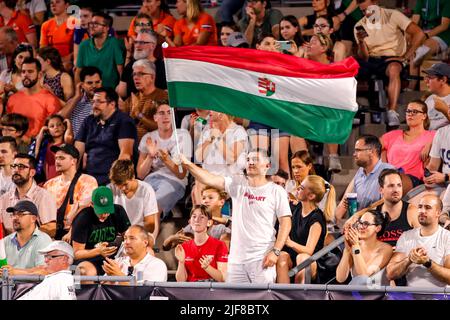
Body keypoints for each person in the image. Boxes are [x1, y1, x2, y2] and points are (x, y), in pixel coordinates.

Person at [179, 148, 292, 284]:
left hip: (261, 258)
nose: (250, 162)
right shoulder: (237, 185)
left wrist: (276, 251)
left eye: (255, 160)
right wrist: (187, 164)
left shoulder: (276, 191)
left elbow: (286, 223)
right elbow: (209, 178)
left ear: (267, 166)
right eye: (248, 159)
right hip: (236, 260)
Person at [354, 0, 424, 126]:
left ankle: (392, 111)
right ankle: (353, 110)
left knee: (393, 68)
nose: (367, 13)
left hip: (392, 58)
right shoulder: (360, 25)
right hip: (372, 59)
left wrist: (405, 57)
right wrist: (360, 42)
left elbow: (419, 33)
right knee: (350, 67)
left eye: (369, 9)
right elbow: (364, 56)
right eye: (363, 11)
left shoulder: (393, 15)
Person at [136, 100, 192, 219]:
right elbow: (140, 174)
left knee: (152, 207)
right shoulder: (148, 137)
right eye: (161, 113)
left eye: (169, 112)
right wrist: (150, 157)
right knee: (136, 205)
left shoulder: (182, 135)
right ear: (155, 117)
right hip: (151, 180)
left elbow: (181, 174)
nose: (166, 116)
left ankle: (149, 237)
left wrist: (165, 158)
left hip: (174, 180)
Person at [277, 175, 336, 284]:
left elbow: (309, 250)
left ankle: (299, 295)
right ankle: (283, 295)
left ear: (311, 196)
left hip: (312, 261)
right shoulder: (296, 207)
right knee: (281, 256)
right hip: (293, 257)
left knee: (302, 257)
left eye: (302, 188)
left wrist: (289, 243)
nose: (298, 188)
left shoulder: (316, 218)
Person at [75, 87, 138, 186]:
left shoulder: (124, 121)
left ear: (112, 104)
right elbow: (77, 152)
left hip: (111, 179)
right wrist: (73, 178)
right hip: (89, 178)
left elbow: (125, 155)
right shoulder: (88, 121)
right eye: (93, 101)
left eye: (99, 102)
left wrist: (116, 181)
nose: (94, 106)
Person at [386, 194, 450, 286]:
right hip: (410, 296)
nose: (422, 211)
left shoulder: (447, 237)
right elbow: (390, 274)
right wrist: (409, 259)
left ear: (438, 212)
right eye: (420, 207)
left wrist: (427, 263)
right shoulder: (406, 236)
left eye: (428, 208)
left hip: (440, 296)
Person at [71, 186, 131, 275]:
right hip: (89, 259)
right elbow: (76, 254)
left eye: (107, 210)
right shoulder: (83, 218)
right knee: (83, 271)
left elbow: (129, 236)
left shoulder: (118, 211)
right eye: (100, 211)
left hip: (114, 257)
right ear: (91, 204)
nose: (104, 214)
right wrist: (98, 251)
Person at [305, 32, 342, 173]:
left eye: (313, 42)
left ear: (324, 47)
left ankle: (333, 156)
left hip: (326, 109)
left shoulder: (335, 68)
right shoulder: (305, 66)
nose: (309, 45)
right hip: (307, 110)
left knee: (331, 110)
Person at [43, 144, 98, 240]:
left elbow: (85, 212)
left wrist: (72, 232)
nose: (57, 161)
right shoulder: (49, 184)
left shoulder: (87, 181)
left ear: (74, 161)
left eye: (61, 158)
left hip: (76, 234)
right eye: (56, 158)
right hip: (51, 235)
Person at [335, 135, 395, 222]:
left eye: (358, 150)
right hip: (358, 226)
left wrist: (358, 215)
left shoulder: (389, 171)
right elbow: (342, 207)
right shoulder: (360, 172)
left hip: (378, 227)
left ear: (371, 152)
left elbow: (387, 202)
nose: (354, 154)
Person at [193, 110, 247, 204]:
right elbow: (198, 157)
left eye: (212, 108)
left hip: (229, 179)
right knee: (199, 180)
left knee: (201, 183)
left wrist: (218, 138)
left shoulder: (238, 131)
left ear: (221, 113)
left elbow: (231, 158)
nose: (209, 110)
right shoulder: (207, 131)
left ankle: (203, 214)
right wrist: (209, 139)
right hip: (209, 178)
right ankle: (200, 215)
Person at [0, 154, 57, 237]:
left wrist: (26, 238)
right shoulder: (4, 198)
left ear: (32, 172)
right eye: (14, 166)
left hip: (36, 245)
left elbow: (52, 229)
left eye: (21, 167)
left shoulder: (43, 196)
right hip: (9, 246)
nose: (16, 170)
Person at [381, 100, 435, 183]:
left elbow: (444, 137)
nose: (410, 114)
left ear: (424, 116)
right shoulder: (394, 134)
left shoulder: (432, 135)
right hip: (389, 175)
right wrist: (384, 163)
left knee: (394, 180)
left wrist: (430, 144)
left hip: (413, 178)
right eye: (408, 111)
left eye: (415, 111)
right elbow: (374, 147)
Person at [6, 57, 61, 138]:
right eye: (23, 72)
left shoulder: (51, 100)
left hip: (38, 146)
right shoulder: (13, 99)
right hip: (13, 145)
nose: (26, 75)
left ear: (40, 75)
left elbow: (53, 131)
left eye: (30, 71)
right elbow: (7, 126)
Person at [163, 186, 231, 251]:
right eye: (203, 198)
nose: (206, 201)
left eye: (210, 198)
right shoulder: (196, 221)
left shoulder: (229, 221)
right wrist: (171, 238)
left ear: (221, 202)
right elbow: (166, 247)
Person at [336, 210, 393, 284]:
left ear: (378, 228)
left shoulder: (386, 249)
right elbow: (340, 278)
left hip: (377, 293)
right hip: (356, 292)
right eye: (360, 223)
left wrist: (355, 247)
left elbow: (363, 277)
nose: (361, 227)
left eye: (366, 224)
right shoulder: (353, 245)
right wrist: (347, 250)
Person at [175, 205, 228, 282]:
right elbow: (181, 281)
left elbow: (223, 278)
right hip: (191, 290)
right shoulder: (184, 246)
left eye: (202, 217)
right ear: (190, 222)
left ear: (209, 222)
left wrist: (207, 267)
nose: (197, 220)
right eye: (194, 216)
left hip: (212, 289)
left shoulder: (219, 245)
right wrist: (181, 262)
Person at [109, 159, 159, 241]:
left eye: (125, 184)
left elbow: (150, 225)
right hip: (118, 235)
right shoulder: (111, 189)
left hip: (139, 235)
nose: (122, 188)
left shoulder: (146, 190)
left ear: (133, 176)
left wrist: (129, 232)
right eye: (118, 185)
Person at [120, 59, 168, 141]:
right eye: (134, 74)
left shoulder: (163, 97)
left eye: (141, 74)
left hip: (154, 144)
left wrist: (139, 115)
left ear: (152, 77)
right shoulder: (131, 99)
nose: (135, 77)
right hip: (131, 144)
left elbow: (162, 127)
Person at [101, 225, 168, 284]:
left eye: (132, 238)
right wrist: (110, 280)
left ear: (145, 243)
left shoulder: (157, 265)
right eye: (125, 238)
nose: (126, 242)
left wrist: (119, 275)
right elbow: (103, 291)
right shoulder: (117, 262)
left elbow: (146, 292)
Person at [0, 200, 51, 275]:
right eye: (13, 214)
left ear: (33, 218)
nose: (15, 218)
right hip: (7, 286)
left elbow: (45, 271)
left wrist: (15, 272)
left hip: (33, 286)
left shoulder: (43, 240)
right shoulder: (5, 241)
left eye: (20, 214)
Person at [408, 0, 450, 90]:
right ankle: (413, 86)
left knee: (420, 51)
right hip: (424, 32)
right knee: (413, 51)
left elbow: (444, 26)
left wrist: (426, 36)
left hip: (442, 34)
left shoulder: (447, 2)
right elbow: (415, 20)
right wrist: (410, 35)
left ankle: (412, 86)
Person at [76, 12, 124, 89]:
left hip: (110, 91)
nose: (91, 26)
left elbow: (121, 70)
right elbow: (78, 72)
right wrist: (79, 91)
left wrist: (120, 91)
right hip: (90, 91)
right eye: (91, 23)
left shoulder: (114, 43)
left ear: (106, 28)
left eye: (96, 24)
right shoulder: (83, 45)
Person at [117, 29, 167, 100]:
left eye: (142, 42)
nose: (137, 45)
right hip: (133, 108)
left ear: (152, 46)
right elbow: (122, 93)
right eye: (136, 42)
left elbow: (166, 95)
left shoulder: (163, 67)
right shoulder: (129, 66)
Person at [59, 66, 102, 138]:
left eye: (97, 82)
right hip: (77, 145)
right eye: (90, 83)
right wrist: (77, 97)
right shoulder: (74, 102)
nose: (94, 86)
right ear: (82, 85)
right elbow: (59, 119)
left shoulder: (108, 101)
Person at [32, 115, 74, 182]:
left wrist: (68, 123)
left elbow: (69, 137)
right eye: (52, 126)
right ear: (48, 131)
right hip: (48, 179)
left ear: (63, 127)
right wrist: (41, 131)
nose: (56, 127)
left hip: (63, 180)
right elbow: (36, 152)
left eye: (59, 125)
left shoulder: (65, 144)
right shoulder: (46, 144)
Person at [39, 0, 74, 71]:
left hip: (69, 62)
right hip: (50, 63)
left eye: (57, 2)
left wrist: (62, 60)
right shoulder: (46, 25)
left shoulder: (75, 23)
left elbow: (80, 50)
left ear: (67, 5)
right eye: (52, 3)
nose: (53, 5)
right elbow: (43, 49)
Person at [422, 62, 450, 131]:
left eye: (430, 77)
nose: (426, 81)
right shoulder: (429, 99)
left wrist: (445, 110)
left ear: (443, 80)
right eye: (426, 77)